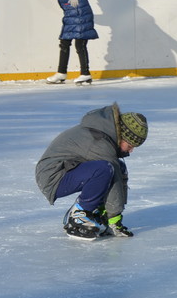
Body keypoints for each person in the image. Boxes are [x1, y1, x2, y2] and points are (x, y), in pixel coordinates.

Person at [35, 103, 148, 240]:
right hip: (52, 177)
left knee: (116, 166)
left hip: (65, 170)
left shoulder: (102, 133)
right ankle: (79, 215)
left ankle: (98, 212)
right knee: (104, 169)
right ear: (122, 136)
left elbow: (117, 174)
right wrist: (115, 220)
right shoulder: (99, 142)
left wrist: (111, 215)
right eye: (130, 145)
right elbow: (113, 179)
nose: (131, 151)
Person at [41, 0, 98, 85]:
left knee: (80, 44)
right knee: (64, 42)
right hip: (71, 15)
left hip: (79, 15)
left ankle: (85, 74)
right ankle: (61, 72)